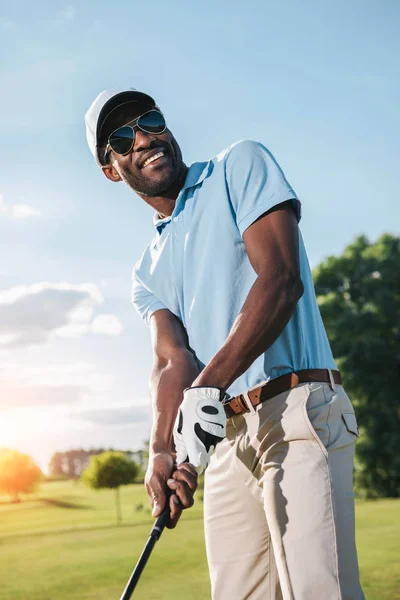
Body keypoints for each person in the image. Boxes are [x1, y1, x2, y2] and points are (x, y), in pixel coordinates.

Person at [85, 88, 365, 600]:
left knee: (319, 590)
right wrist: (162, 450)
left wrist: (206, 388)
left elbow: (280, 280)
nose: (144, 137)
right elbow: (173, 360)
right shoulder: (147, 269)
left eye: (150, 120)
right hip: (229, 440)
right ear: (111, 168)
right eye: (123, 138)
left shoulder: (238, 165)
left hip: (298, 410)